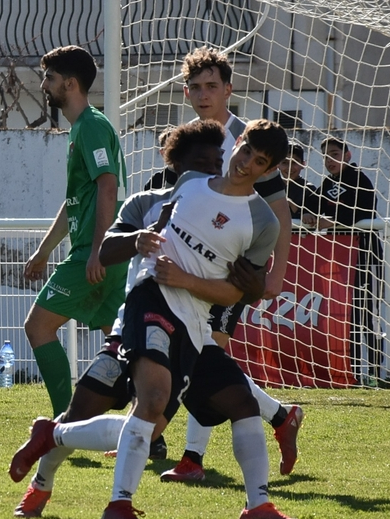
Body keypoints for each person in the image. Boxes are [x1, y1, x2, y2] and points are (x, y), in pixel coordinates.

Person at [16, 120, 301, 519]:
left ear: (267, 167)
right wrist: (139, 240)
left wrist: (241, 282)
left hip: (194, 329)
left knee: (237, 402)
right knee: (104, 408)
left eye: (256, 162)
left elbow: (239, 292)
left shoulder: (259, 220)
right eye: (237, 154)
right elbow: (108, 251)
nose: (232, 164)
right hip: (142, 314)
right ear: (178, 163)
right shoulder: (161, 198)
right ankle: (52, 486)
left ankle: (257, 504)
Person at [156, 47, 302, 484]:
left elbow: (280, 213)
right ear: (186, 93)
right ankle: (280, 415)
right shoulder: (192, 140)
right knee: (199, 356)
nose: (204, 95)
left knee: (206, 353)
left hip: (234, 273)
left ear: (228, 89)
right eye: (196, 88)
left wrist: (273, 275)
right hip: (193, 269)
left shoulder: (248, 140)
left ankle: (191, 459)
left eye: (212, 86)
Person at [23, 45, 127, 418]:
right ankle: (151, 432)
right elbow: (77, 202)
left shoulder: (92, 126)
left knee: (38, 327)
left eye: (49, 78)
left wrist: (97, 249)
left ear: (70, 83)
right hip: (101, 251)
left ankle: (64, 422)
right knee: (121, 344)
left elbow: (108, 186)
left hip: (94, 253)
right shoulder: (82, 128)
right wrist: (45, 250)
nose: (42, 85)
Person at [302, 137, 381, 380]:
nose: (330, 160)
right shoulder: (326, 183)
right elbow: (312, 205)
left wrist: (333, 219)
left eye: (335, 154)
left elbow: (365, 211)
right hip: (337, 259)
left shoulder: (360, 180)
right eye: (325, 156)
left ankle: (377, 372)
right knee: (343, 316)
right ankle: (352, 372)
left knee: (364, 314)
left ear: (347, 155)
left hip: (363, 255)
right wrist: (308, 215)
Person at [280, 140, 317, 220]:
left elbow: (311, 219)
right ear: (277, 164)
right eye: (284, 162)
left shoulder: (309, 190)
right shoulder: (270, 187)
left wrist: (291, 204)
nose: (289, 167)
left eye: (294, 162)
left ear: (303, 164)